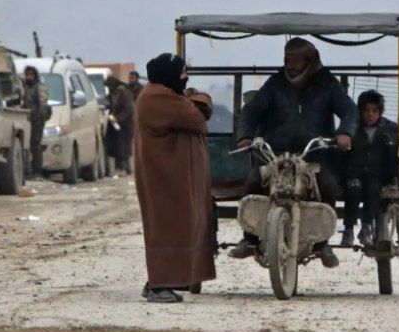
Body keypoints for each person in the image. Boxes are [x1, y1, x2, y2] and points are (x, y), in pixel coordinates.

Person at [230, 38, 356, 267]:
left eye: (295, 60)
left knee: (328, 187)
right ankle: (249, 239)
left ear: (310, 60)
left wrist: (345, 132)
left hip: (314, 154)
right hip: (276, 155)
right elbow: (251, 111)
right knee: (253, 182)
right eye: (287, 59)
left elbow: (349, 110)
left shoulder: (327, 83)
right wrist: (245, 136)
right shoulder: (276, 83)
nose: (290, 65)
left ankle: (322, 244)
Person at [133, 53, 216, 303]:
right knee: (166, 229)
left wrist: (191, 99)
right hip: (163, 179)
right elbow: (197, 118)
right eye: (182, 73)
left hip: (170, 178)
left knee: (177, 227)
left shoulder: (163, 95)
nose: (185, 78)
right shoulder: (157, 97)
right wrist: (198, 98)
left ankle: (161, 280)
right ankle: (159, 285)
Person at [340, 90, 399, 248]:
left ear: (380, 112)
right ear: (360, 111)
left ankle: (366, 228)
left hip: (376, 175)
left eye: (374, 111)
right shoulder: (352, 128)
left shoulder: (390, 129)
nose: (370, 114)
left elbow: (395, 153)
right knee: (354, 190)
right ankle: (348, 230)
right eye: (366, 110)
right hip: (354, 174)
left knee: (373, 190)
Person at [22, 66, 51, 178]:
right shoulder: (25, 87)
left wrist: (39, 118)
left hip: (37, 121)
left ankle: (37, 171)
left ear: (35, 76)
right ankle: (27, 170)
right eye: (27, 75)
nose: (29, 77)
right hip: (27, 120)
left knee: (36, 145)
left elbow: (43, 104)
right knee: (27, 145)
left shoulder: (39, 87)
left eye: (31, 75)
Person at [104, 76, 136, 175]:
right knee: (115, 147)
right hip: (114, 126)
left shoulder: (124, 93)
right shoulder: (112, 94)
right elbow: (109, 104)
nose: (109, 88)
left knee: (123, 148)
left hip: (125, 126)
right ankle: (120, 168)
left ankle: (123, 168)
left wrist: (118, 119)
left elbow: (128, 109)